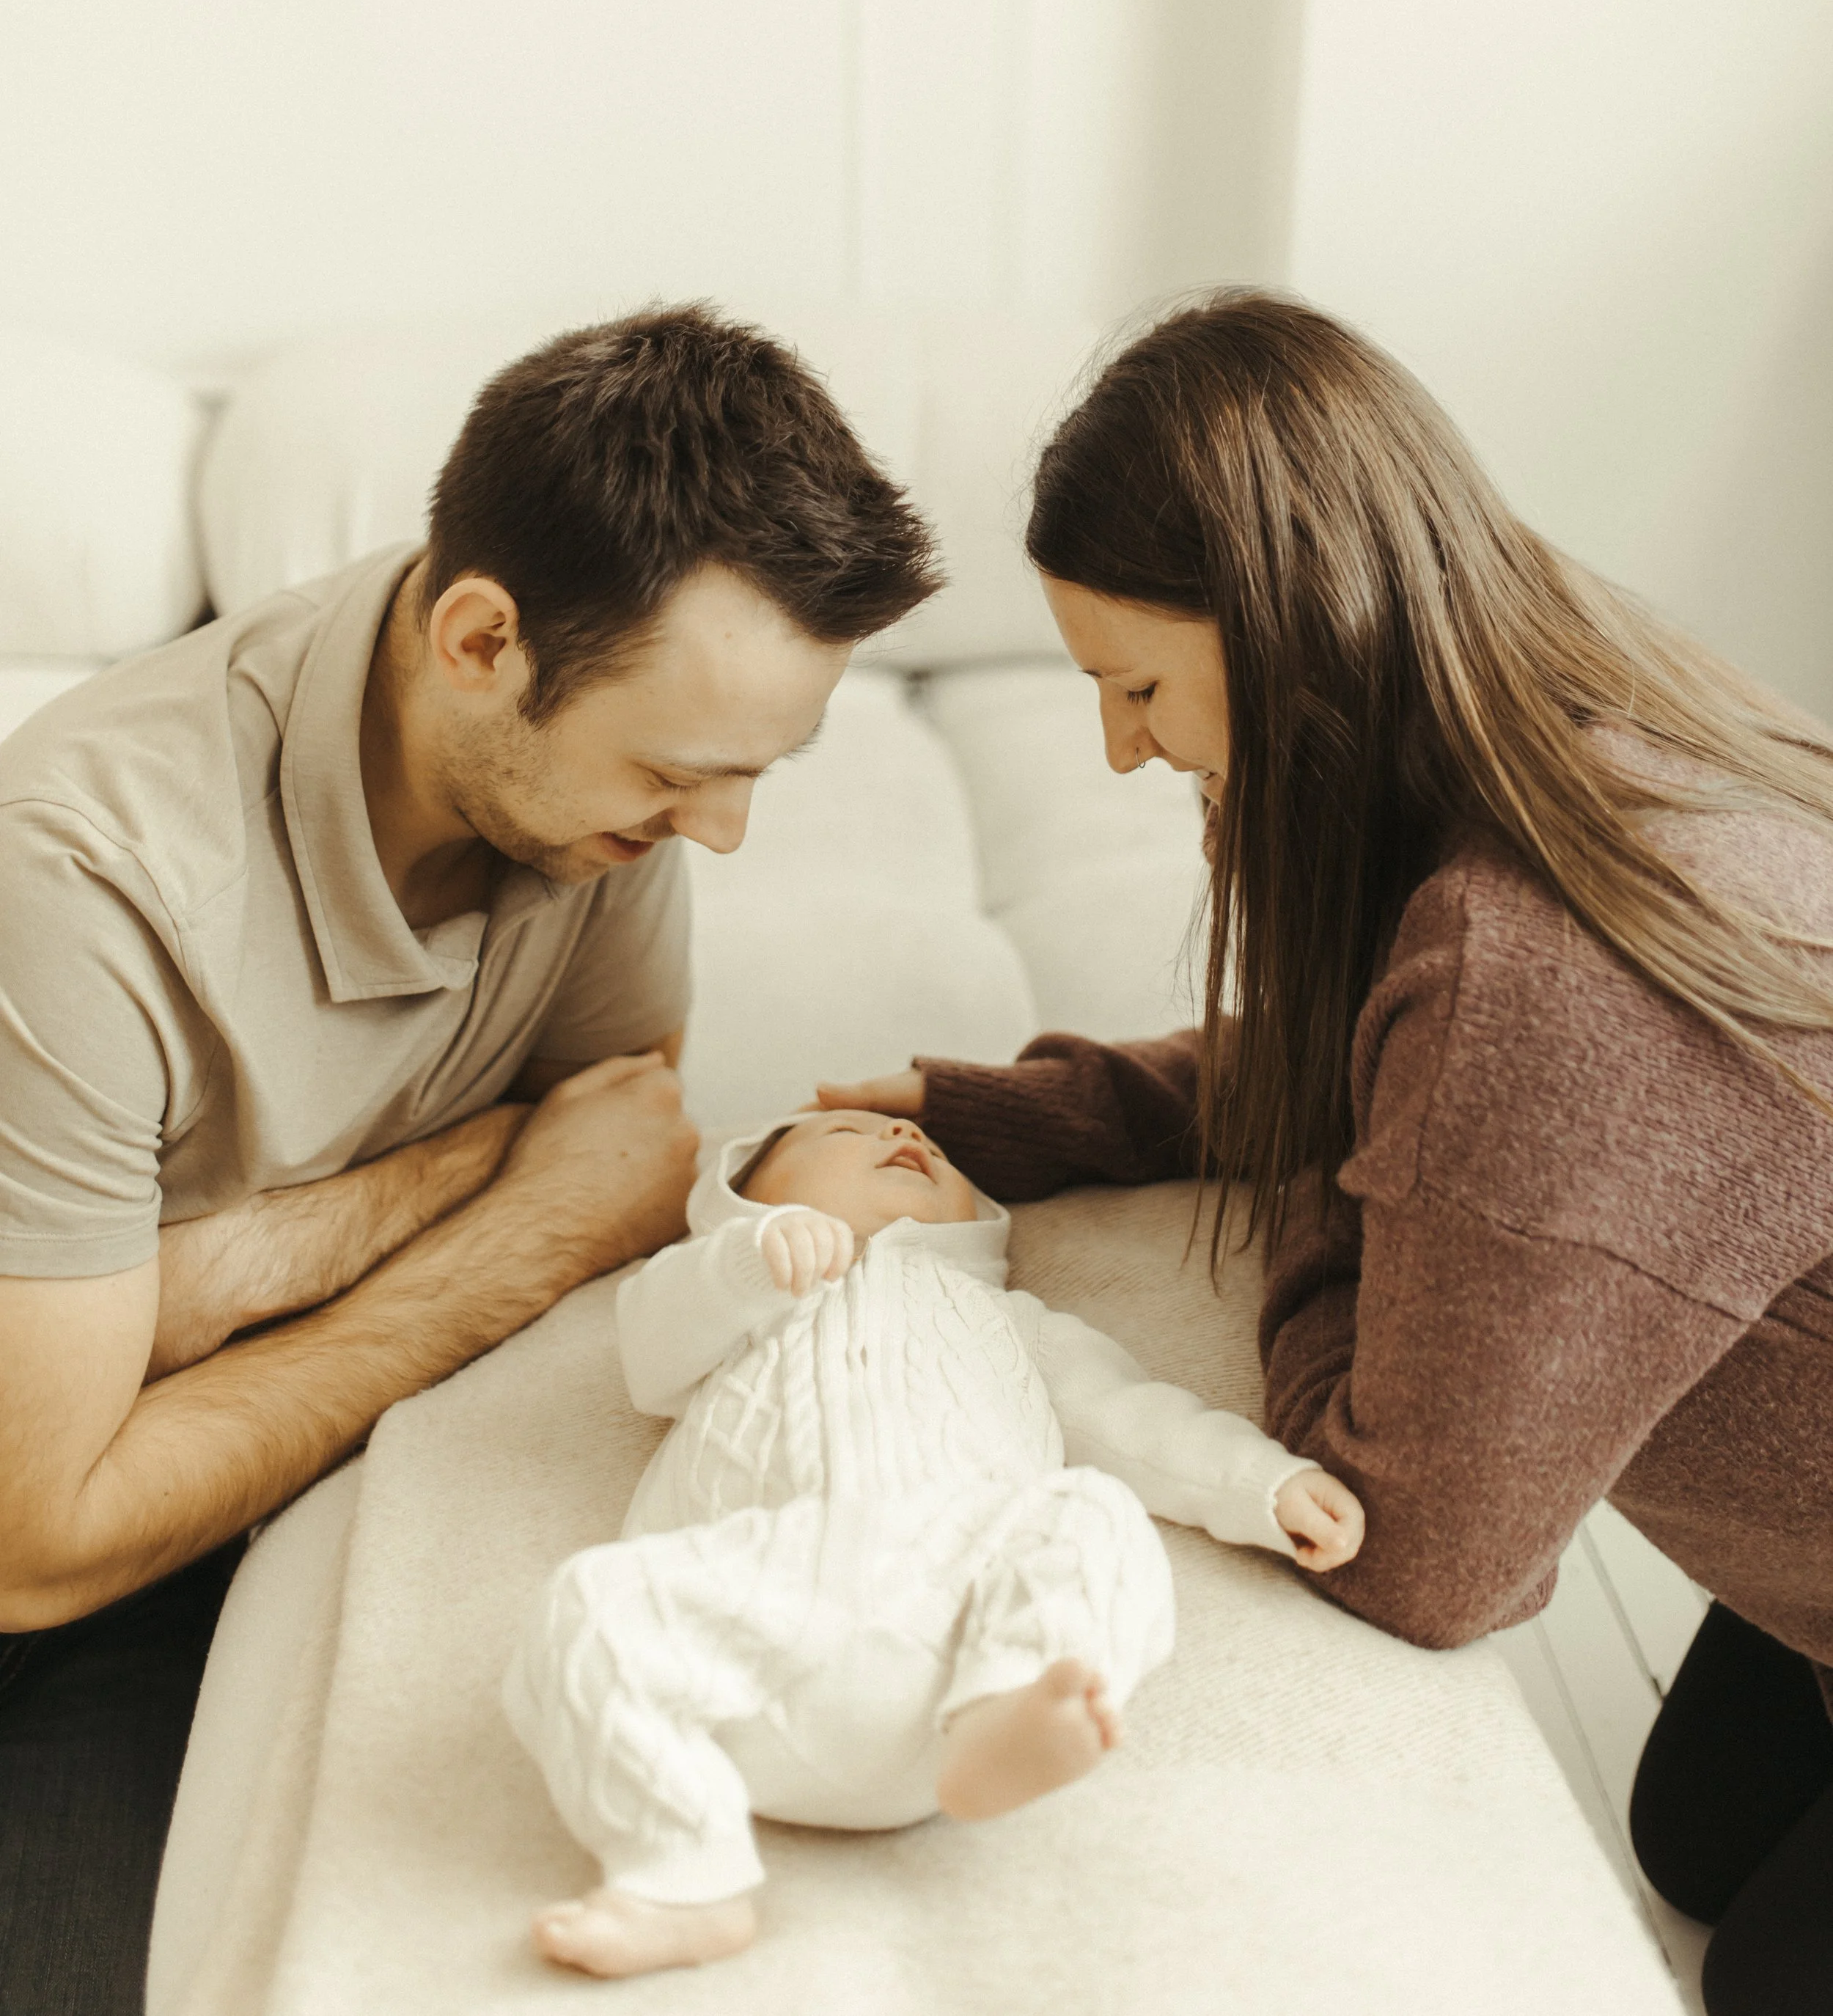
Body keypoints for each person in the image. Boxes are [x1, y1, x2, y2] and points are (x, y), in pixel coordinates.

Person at [822, 291, 1833, 2016]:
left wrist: (1329, 1190)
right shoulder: (1567, 710)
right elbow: (1389, 1048)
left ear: (1291, 630)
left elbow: (1420, 1556)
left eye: (1136, 686)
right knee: (1688, 1844)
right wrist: (1028, 1112)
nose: (1121, 748)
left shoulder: (1547, 972)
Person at [0, 304, 938, 2016]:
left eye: (751, 775)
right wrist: (513, 1231)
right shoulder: (82, 883)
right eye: (680, 773)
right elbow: (38, 1538)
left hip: (236, 1471)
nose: (719, 832)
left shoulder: (596, 796)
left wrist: (226, 1272)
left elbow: (621, 1142)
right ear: (480, 640)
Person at [503, 1103, 1364, 1980]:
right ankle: (683, 1874)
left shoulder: (1013, 1322)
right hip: (755, 1624)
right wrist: (746, 1260)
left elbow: (1137, 1422)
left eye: (931, 1146)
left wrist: (1263, 1485)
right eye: (845, 1134)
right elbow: (650, 1348)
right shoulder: (743, 1300)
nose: (904, 1137)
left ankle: (1017, 1701)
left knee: (1092, 1511)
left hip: (955, 1649)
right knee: (589, 1601)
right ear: (746, 1195)